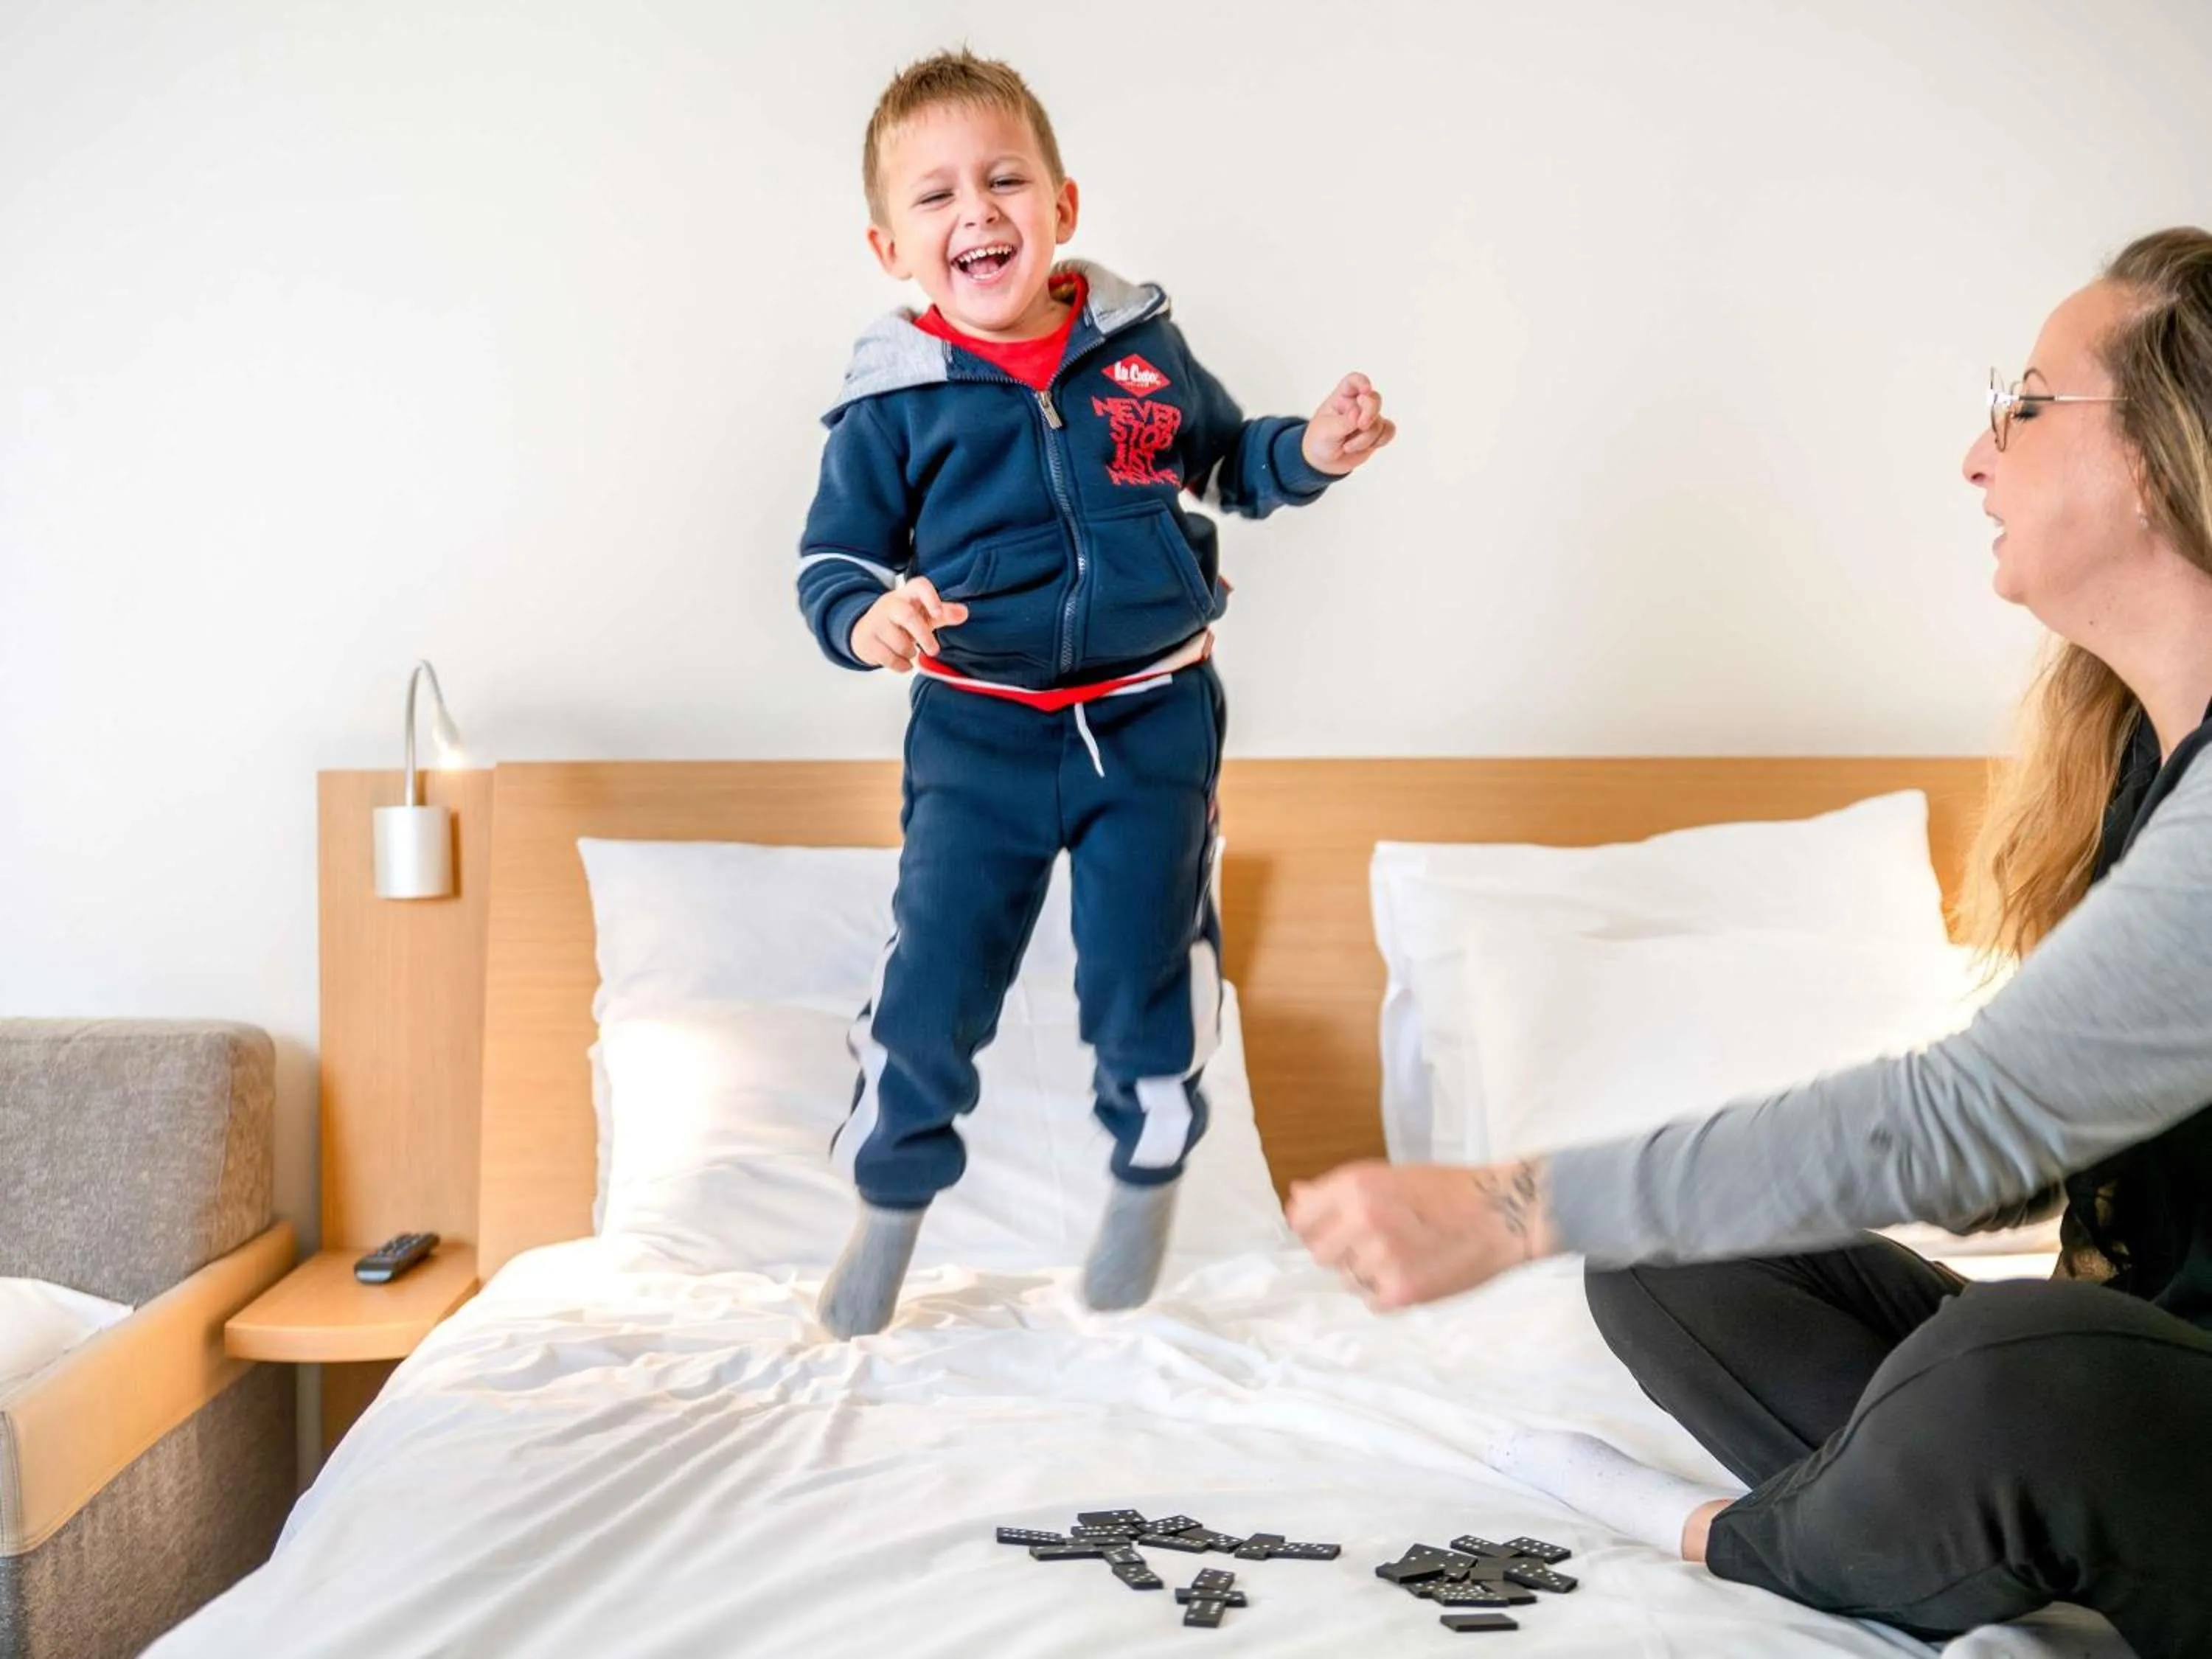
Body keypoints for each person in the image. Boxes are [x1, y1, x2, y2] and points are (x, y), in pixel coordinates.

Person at [1288, 229, 2212, 1658]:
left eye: (2025, 405)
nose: (1978, 458)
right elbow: (2030, 1171)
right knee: (1676, 1258)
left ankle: (1748, 1535)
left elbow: (1972, 1132)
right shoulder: (2144, 777)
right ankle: (1966, 1517)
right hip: (2163, 1400)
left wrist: (1507, 1203)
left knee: (2012, 1365)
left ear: (2160, 456)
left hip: (2141, 1397)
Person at [796, 49, 1394, 1338]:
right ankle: (889, 1209)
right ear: (891, 245)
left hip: (1149, 717)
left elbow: (1230, 459)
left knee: (1143, 967)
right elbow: (833, 562)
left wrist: (1314, 451)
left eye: (1006, 179)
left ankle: (1148, 1167)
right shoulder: (892, 403)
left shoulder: (1137, 345)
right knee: (937, 978)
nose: (978, 212)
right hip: (979, 733)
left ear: (1063, 206)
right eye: (938, 196)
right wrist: (872, 615)